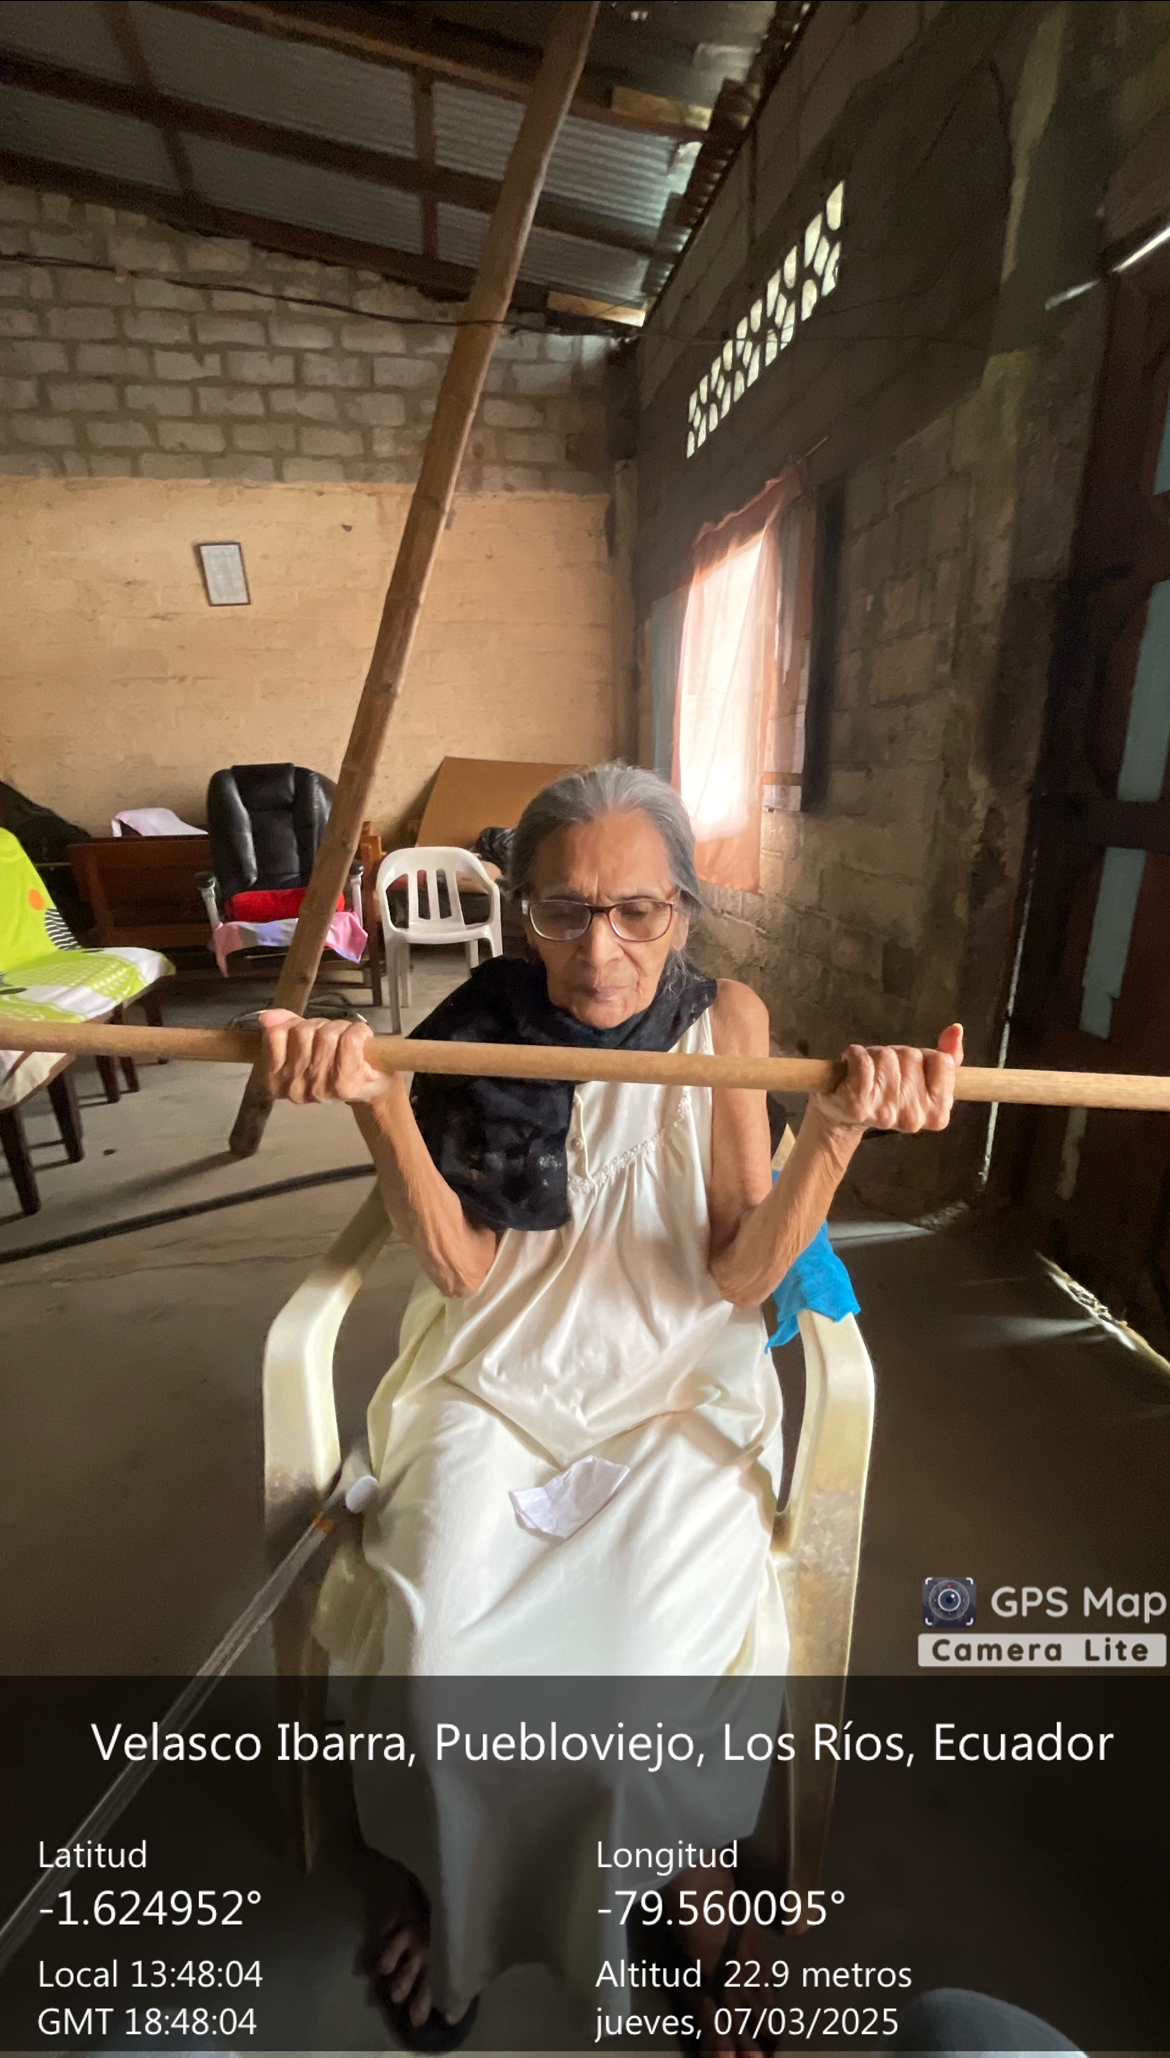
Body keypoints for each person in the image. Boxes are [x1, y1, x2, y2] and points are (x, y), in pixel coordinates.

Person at [259, 762, 962, 2052]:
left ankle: (691, 1893)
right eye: (565, 913)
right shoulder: (473, 1027)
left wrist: (836, 1132)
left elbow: (742, 1276)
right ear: (520, 912)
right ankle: (454, 1891)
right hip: (497, 1377)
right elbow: (461, 1269)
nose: (601, 951)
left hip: (674, 1387)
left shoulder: (728, 1022)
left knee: (644, 1667)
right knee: (434, 1645)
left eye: (638, 912)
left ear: (682, 910)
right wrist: (377, 1102)